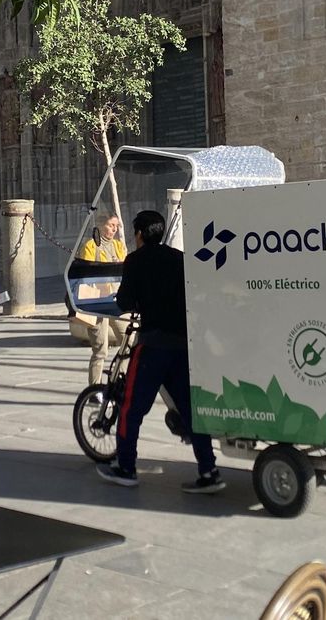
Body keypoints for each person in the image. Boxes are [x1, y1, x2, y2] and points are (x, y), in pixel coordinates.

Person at [96, 209, 224, 494]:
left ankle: (126, 467)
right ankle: (209, 469)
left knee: (131, 407)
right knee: (190, 409)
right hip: (182, 344)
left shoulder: (135, 260)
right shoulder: (178, 258)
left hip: (153, 344)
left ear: (139, 234)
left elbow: (125, 300)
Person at [82, 214, 129, 385]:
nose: (114, 229)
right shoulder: (90, 246)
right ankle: (93, 388)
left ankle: (119, 379)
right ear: (101, 226)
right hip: (97, 303)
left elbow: (126, 269)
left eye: (116, 225)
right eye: (110, 225)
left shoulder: (119, 245)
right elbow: (85, 274)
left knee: (128, 341)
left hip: (116, 300)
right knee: (100, 350)